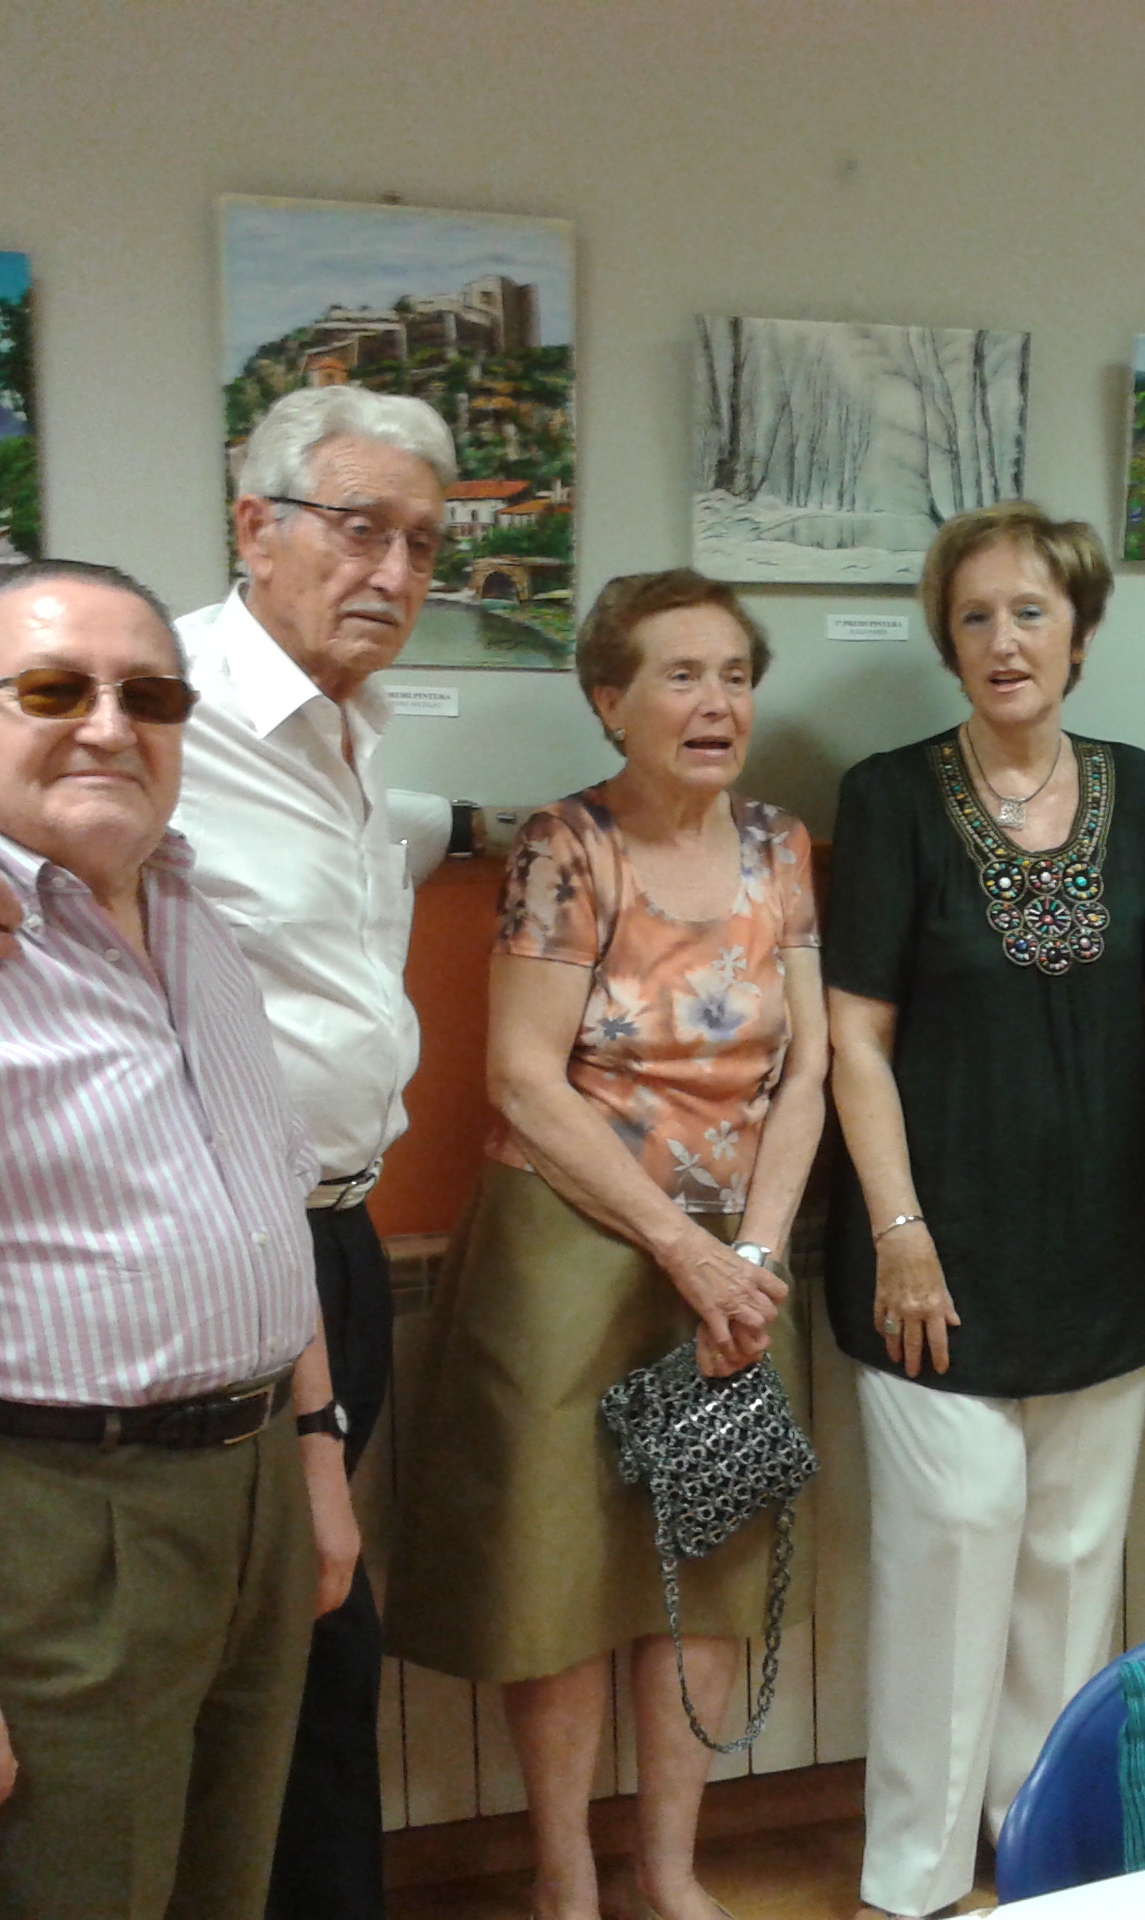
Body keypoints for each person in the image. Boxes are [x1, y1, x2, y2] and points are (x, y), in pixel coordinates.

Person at [0, 386, 460, 1920]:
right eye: (360, 528)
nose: (395, 569)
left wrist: (313, 1446)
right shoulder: (135, 737)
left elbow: (261, 1159)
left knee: (277, 1771)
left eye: (423, 542)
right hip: (48, 1469)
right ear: (257, 528)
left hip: (288, 1328)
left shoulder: (226, 861)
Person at [385, 572, 824, 1920]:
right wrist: (684, 1253)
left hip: (734, 1257)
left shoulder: (780, 844)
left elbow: (805, 1073)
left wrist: (754, 1255)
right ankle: (565, 1877)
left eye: (734, 675)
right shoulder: (565, 848)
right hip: (568, 1249)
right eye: (681, 676)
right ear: (609, 701)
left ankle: (670, 1871)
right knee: (559, 1577)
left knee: (711, 1561)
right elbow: (523, 1079)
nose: (715, 702)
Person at [826, 502, 1145, 1920]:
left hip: (1105, 1228)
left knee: (1073, 1566)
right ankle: (913, 1882)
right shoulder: (889, 797)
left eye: (1030, 612)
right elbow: (856, 1037)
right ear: (946, 641)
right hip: (936, 1244)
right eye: (974, 616)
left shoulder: (1142, 787)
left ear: (1079, 633)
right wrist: (899, 1232)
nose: (1003, 640)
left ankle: (1037, 1856)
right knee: (952, 1549)